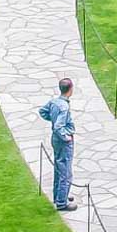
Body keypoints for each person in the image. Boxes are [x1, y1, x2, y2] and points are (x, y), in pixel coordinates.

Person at [39, 78, 76, 211]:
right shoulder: (64, 106)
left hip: (55, 139)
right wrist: (66, 137)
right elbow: (58, 126)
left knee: (59, 168)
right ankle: (62, 202)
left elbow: (42, 111)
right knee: (65, 171)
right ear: (70, 89)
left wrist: (52, 119)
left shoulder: (54, 102)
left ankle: (60, 195)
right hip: (63, 141)